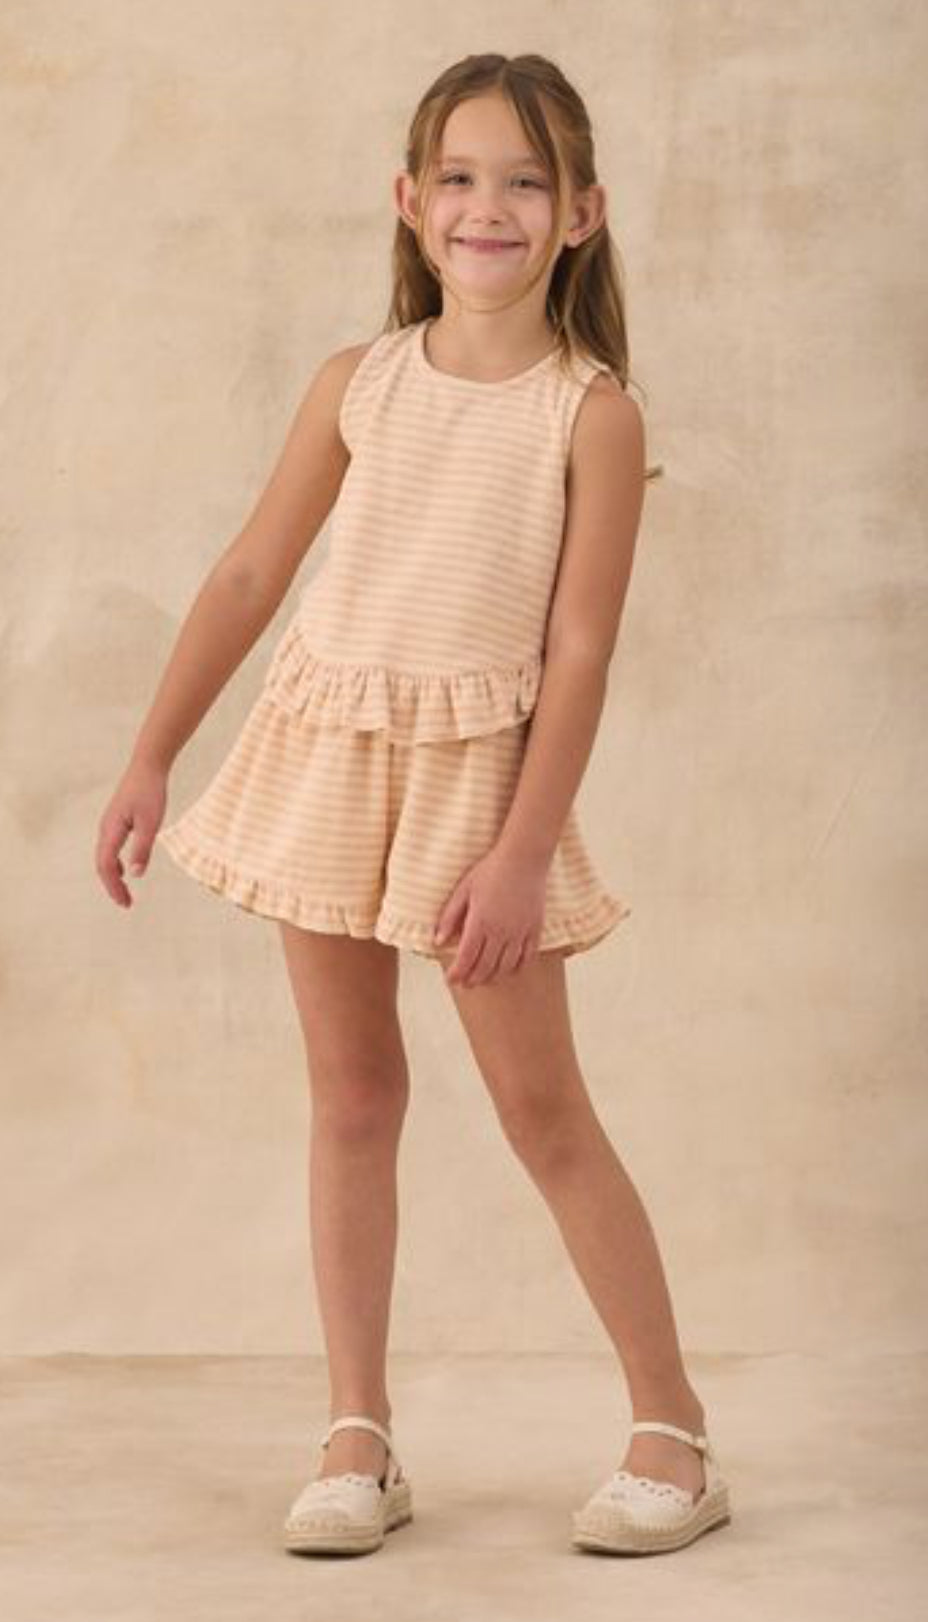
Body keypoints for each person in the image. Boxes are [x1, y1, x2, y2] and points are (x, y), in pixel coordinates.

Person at [95, 51, 732, 1559]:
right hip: (328, 750)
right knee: (354, 1095)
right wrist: (151, 752)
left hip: (479, 785)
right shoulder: (359, 382)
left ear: (581, 213)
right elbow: (252, 572)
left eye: (523, 181)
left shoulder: (592, 415)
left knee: (541, 1109)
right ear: (408, 198)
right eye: (457, 176)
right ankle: (357, 1434)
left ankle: (673, 1429)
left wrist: (520, 853)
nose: (485, 206)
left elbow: (580, 651)